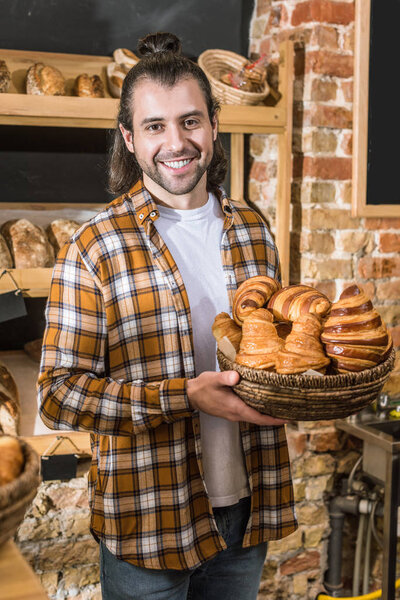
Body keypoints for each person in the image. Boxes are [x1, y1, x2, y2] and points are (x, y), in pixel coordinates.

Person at [38, 31, 297, 600]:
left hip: (246, 513)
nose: (176, 142)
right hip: (150, 524)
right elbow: (59, 395)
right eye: (155, 126)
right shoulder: (94, 245)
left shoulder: (253, 230)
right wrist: (183, 395)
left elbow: (272, 353)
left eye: (190, 121)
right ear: (129, 138)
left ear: (213, 125)